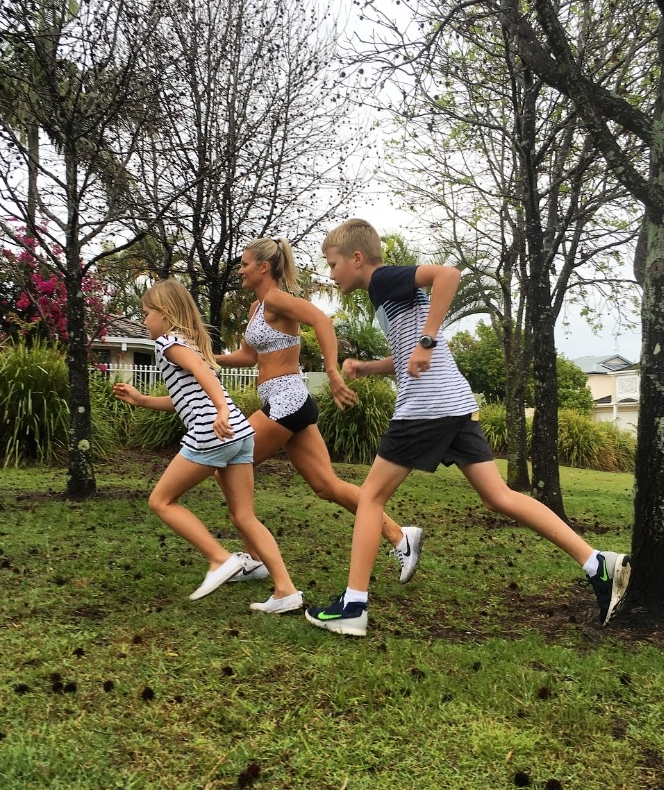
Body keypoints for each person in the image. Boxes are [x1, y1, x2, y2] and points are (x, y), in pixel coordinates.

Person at [305, 218, 631, 637]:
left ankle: (353, 606)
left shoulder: (384, 278)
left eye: (333, 264)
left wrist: (427, 339)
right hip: (453, 404)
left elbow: (449, 275)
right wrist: (369, 367)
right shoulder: (385, 296)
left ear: (356, 258)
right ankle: (597, 564)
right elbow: (410, 355)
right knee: (499, 496)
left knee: (369, 497)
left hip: (426, 408)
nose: (331, 274)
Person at [215, 236, 424, 585]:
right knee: (326, 486)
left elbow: (321, 322)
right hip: (284, 404)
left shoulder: (278, 300)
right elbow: (249, 357)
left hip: (287, 401)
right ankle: (401, 536)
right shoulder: (256, 309)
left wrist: (330, 370)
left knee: (227, 464)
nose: (240, 270)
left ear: (263, 268)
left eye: (244, 264)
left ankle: (256, 558)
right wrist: (209, 358)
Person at [113, 278, 302, 615]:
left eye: (146, 313)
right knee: (244, 516)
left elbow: (206, 376)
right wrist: (142, 401)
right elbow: (183, 399)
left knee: (161, 501)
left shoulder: (168, 343)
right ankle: (286, 590)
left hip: (212, 432)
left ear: (165, 313)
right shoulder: (186, 343)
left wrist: (220, 410)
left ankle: (219, 559)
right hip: (240, 433)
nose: (144, 321)